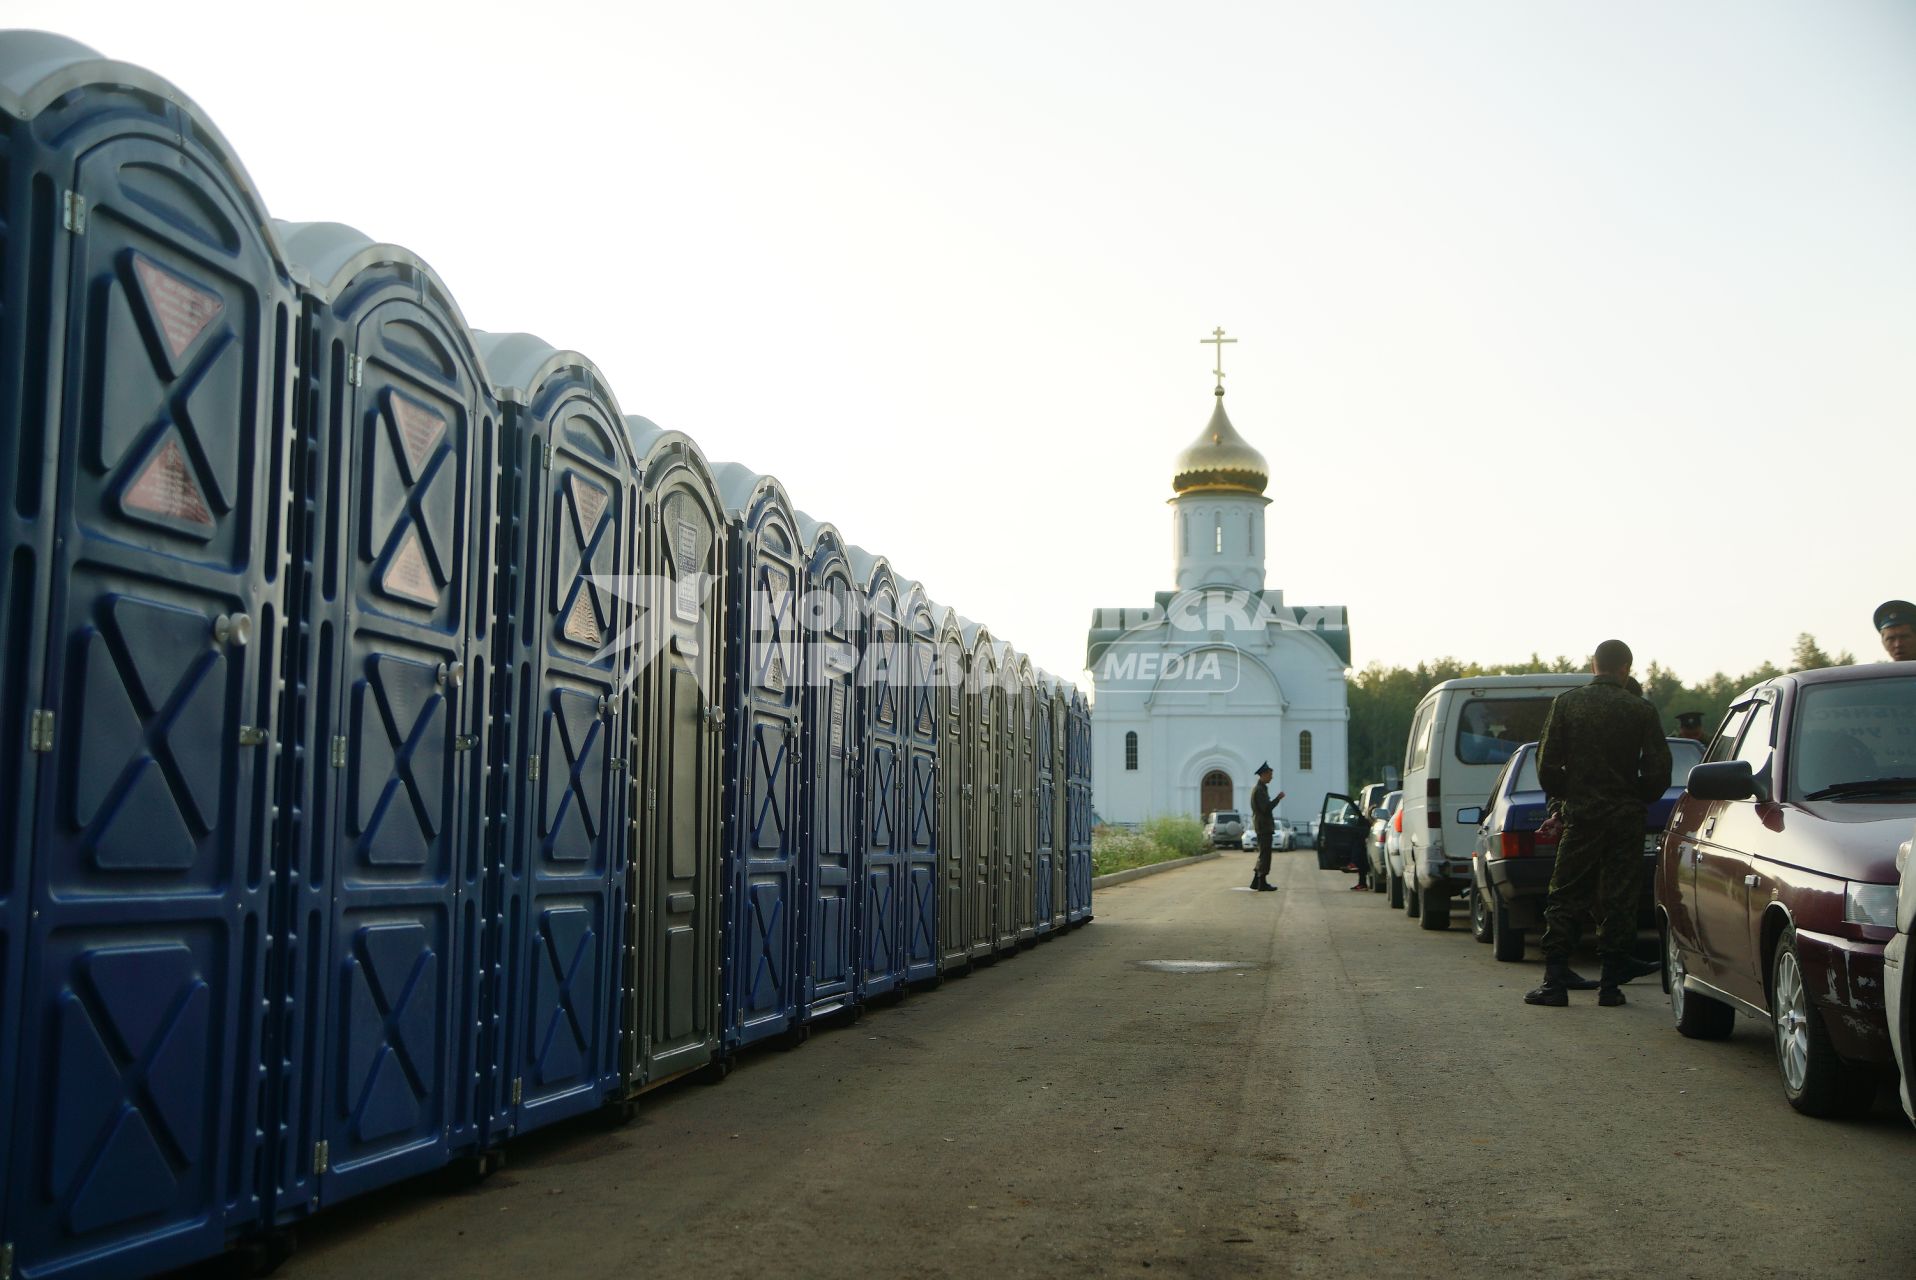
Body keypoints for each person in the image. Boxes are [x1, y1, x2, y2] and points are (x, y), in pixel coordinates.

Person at [1524, 639, 1672, 1008]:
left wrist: (1571, 795)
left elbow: (1546, 766)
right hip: (1625, 819)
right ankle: (1610, 985)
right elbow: (1659, 770)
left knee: (1566, 894)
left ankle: (1555, 981)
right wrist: (1635, 794)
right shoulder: (1640, 710)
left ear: (1594, 665)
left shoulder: (1567, 704)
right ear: (1625, 668)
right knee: (1619, 897)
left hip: (1582, 817)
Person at [1249, 763, 1284, 892]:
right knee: (1265, 855)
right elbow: (1266, 808)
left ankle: (1255, 882)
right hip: (1263, 826)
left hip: (1263, 825)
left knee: (1263, 853)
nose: (1271, 778)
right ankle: (1262, 883)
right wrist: (1278, 799)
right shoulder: (1259, 790)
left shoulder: (1262, 788)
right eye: (1270, 775)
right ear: (1263, 775)